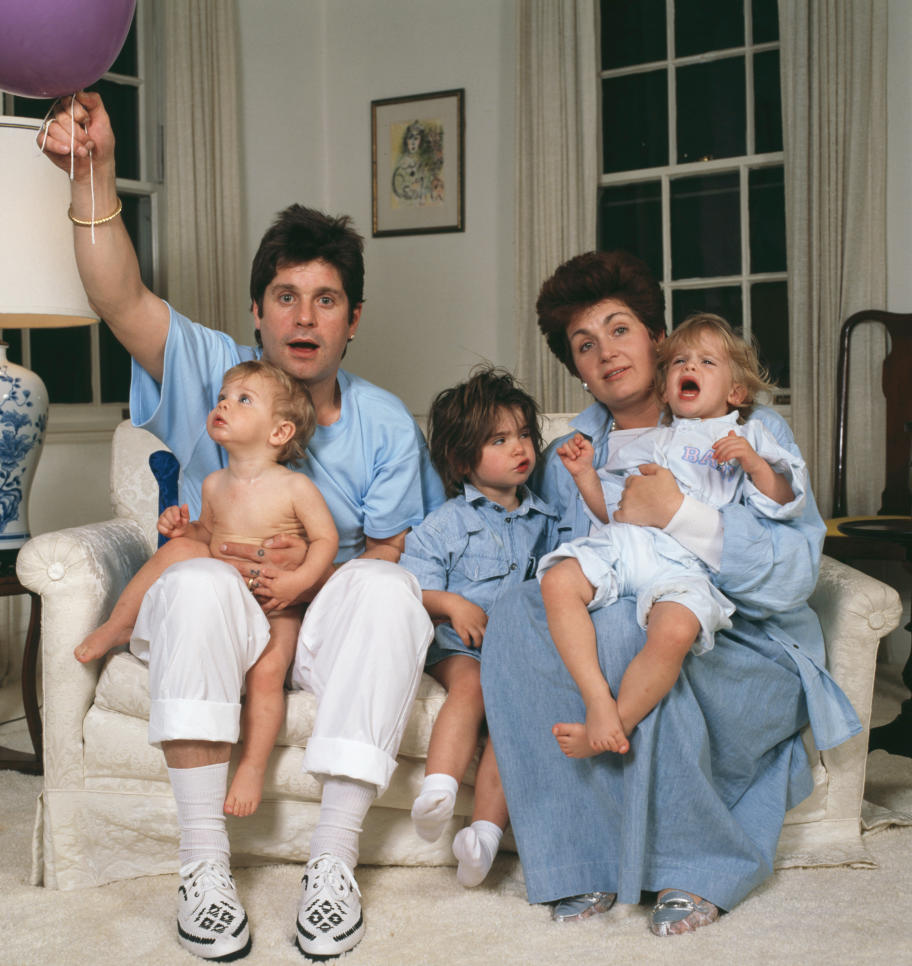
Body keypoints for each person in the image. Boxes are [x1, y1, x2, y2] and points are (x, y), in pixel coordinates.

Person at [39, 91, 444, 962]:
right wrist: (95, 172)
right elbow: (120, 296)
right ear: (256, 312)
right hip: (213, 611)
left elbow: (390, 549)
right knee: (189, 577)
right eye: (286, 296)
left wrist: (306, 575)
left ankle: (332, 863)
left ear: (353, 320)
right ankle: (202, 865)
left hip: (313, 615)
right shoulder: (218, 376)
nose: (305, 316)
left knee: (388, 587)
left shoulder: (383, 425)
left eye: (327, 299)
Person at [479, 250, 860, 937]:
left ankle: (694, 862)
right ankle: (578, 860)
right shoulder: (577, 451)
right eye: (584, 345)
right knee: (516, 612)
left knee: (633, 629)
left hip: (742, 640)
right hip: (631, 608)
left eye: (619, 329)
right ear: (576, 369)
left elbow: (794, 575)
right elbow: (552, 552)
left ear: (658, 338)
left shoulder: (746, 431)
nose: (606, 353)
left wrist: (679, 514)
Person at [74, 360, 338, 817]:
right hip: (225, 603)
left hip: (278, 606)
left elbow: (325, 541)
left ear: (279, 432)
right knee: (176, 554)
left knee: (267, 674)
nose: (224, 405)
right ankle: (120, 624)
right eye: (222, 398)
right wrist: (182, 529)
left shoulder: (295, 487)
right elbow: (207, 540)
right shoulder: (215, 484)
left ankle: (252, 766)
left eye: (242, 400)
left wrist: (297, 581)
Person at [538, 314, 807, 758]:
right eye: (680, 361)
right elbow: (616, 511)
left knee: (676, 631)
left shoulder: (752, 433)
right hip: (637, 546)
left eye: (706, 361)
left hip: (688, 565)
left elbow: (784, 499)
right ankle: (596, 699)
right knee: (557, 580)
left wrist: (755, 464)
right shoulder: (655, 440)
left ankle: (615, 724)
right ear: (666, 389)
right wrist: (586, 475)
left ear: (736, 392)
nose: (690, 368)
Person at [398, 367, 559, 887]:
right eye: (500, 439)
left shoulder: (546, 522)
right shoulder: (444, 523)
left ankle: (484, 836)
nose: (521, 448)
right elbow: (410, 590)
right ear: (464, 460)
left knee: (514, 723)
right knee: (471, 690)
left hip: (515, 653)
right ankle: (438, 789)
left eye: (525, 435)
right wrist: (452, 603)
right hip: (458, 648)